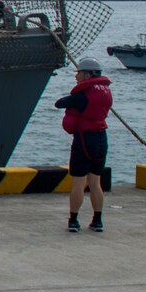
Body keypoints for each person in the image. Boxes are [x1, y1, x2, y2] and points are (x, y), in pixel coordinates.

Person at [54, 58, 112, 233]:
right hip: (101, 139)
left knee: (79, 183)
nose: (76, 76)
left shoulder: (81, 97)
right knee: (95, 182)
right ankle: (97, 220)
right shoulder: (106, 92)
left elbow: (59, 103)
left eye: (78, 73)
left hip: (84, 139)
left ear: (87, 75)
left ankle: (73, 220)